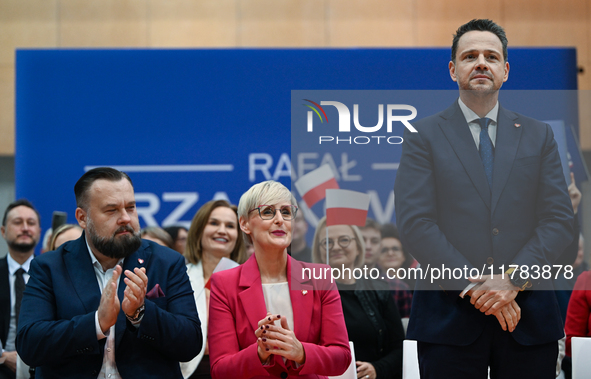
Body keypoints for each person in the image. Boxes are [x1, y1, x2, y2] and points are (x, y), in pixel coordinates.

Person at [394, 19, 574, 378]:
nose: (481, 63)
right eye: (470, 56)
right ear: (452, 69)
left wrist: (512, 279)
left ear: (505, 71)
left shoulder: (538, 136)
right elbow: (416, 223)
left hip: (528, 316)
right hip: (449, 319)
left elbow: (558, 220)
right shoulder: (422, 136)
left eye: (491, 56)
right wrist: (475, 286)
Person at [16, 167, 202, 378]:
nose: (125, 218)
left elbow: (191, 343)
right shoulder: (49, 267)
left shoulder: (167, 262)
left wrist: (141, 313)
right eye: (111, 210)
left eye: (130, 207)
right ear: (82, 218)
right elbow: (29, 344)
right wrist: (96, 323)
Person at [208, 180, 351, 379]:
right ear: (244, 223)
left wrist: (301, 352)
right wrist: (259, 354)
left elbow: (342, 358)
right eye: (267, 212)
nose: (279, 220)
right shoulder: (224, 283)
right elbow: (220, 370)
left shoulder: (320, 277)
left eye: (286, 212)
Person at [312, 217, 405, 379]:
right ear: (319, 251)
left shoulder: (379, 289)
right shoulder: (309, 292)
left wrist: (377, 369)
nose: (336, 247)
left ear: (358, 247)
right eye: (327, 242)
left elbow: (399, 347)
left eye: (344, 240)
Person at [181, 200, 246, 379]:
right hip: (187, 372)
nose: (222, 230)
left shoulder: (252, 281)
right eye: (214, 223)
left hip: (236, 372)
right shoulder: (178, 277)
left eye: (230, 226)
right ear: (199, 229)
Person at [0, 200, 41, 379]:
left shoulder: (52, 273)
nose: (25, 228)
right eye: (18, 222)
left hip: (43, 366)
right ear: (3, 231)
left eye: (31, 223)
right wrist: (2, 355)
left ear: (39, 232)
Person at [375, 224, 413, 319]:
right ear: (376, 257)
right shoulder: (371, 286)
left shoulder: (417, 284)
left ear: (404, 255)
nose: (390, 253)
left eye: (395, 249)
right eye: (384, 250)